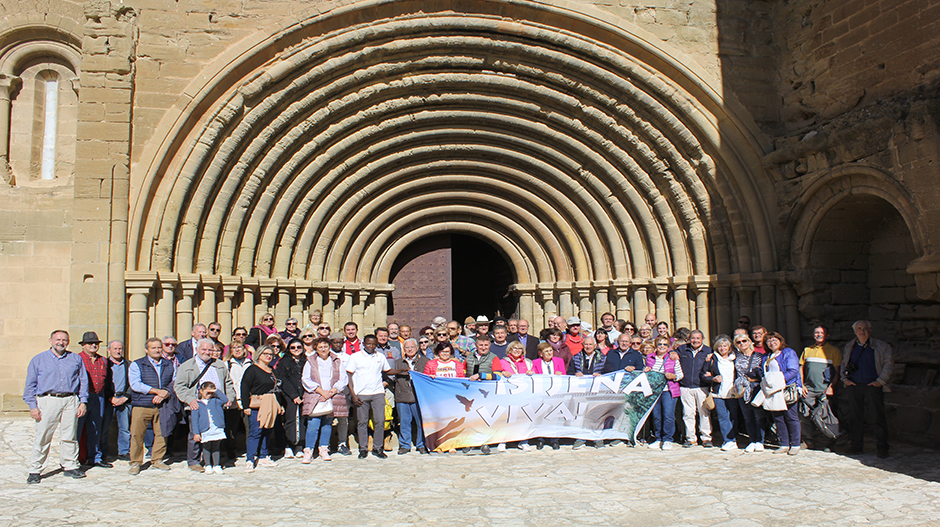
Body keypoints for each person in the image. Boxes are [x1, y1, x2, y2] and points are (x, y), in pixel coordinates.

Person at [24, 330, 89, 483]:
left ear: (68, 341)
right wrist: (33, 406)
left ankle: (70, 465)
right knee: (43, 435)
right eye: (57, 339)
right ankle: (35, 469)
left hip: (70, 400)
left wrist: (83, 402)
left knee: (70, 435)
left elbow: (83, 381)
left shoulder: (75, 359)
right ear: (50, 341)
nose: (61, 342)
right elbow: (30, 385)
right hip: (48, 400)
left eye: (64, 340)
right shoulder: (39, 360)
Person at [174, 338, 236, 472]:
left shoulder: (219, 365)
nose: (207, 352)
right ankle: (194, 460)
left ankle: (214, 460)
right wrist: (190, 400)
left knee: (215, 431)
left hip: (216, 404)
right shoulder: (187, 366)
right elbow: (179, 386)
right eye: (204, 349)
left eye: (209, 350)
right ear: (197, 349)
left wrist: (229, 398)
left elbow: (228, 383)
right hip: (198, 403)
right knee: (195, 432)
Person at [842, 320, 893, 458]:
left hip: (873, 385)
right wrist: (845, 379)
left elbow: (888, 364)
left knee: (878, 416)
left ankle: (882, 447)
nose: (862, 331)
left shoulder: (881, 346)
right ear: (855, 331)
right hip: (854, 385)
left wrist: (880, 381)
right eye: (859, 328)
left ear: (870, 330)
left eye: (865, 328)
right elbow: (844, 363)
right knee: (855, 416)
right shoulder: (850, 346)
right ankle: (856, 445)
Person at [128, 337, 175, 475]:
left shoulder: (168, 364)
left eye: (159, 347)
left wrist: (165, 393)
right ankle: (136, 462)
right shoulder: (137, 364)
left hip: (163, 405)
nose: (157, 350)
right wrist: (155, 391)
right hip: (142, 404)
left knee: (162, 433)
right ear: (146, 350)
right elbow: (135, 384)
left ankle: (157, 459)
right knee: (137, 434)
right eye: (153, 348)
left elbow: (174, 381)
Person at [347, 335, 395, 459]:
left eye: (373, 344)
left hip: (377, 393)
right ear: (364, 344)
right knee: (362, 422)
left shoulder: (380, 356)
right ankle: (363, 448)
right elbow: (349, 376)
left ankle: (378, 447)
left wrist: (402, 371)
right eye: (368, 344)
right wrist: (353, 394)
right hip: (361, 394)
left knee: (380, 421)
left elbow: (387, 371)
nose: (371, 346)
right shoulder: (355, 357)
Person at [302, 337, 348, 462]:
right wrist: (320, 391)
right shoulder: (310, 361)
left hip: (332, 395)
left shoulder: (336, 361)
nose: (323, 349)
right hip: (316, 395)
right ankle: (309, 450)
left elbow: (343, 378)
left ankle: (324, 448)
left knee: (327, 424)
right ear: (316, 347)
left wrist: (332, 391)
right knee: (314, 423)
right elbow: (306, 378)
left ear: (329, 347)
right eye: (320, 347)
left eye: (325, 347)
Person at [240, 345, 283, 472]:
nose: (269, 356)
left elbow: (277, 389)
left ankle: (264, 455)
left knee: (267, 430)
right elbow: (244, 387)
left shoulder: (272, 371)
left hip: (271, 403)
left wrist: (279, 405)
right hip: (257, 403)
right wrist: (245, 406)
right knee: (255, 431)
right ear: (259, 354)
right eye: (266, 354)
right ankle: (250, 458)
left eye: (270, 354)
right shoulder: (252, 370)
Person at [800, 325, 842, 450]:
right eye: (816, 333)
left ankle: (830, 440)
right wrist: (801, 385)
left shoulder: (834, 351)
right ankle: (808, 441)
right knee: (804, 415)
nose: (818, 335)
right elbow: (801, 368)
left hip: (825, 390)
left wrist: (831, 387)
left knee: (827, 416)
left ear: (827, 335)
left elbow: (838, 371)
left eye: (821, 333)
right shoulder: (807, 350)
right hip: (809, 389)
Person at [76, 331, 110, 468]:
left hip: (98, 397)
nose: (93, 345)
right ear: (83, 345)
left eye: (96, 343)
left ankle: (95, 457)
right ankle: (74, 458)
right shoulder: (77, 359)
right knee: (77, 429)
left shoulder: (102, 360)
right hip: (81, 397)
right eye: (90, 343)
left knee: (95, 428)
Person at [764, 332, 802, 455]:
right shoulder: (767, 356)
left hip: (786, 388)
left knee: (791, 416)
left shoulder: (788, 353)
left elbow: (793, 370)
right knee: (778, 418)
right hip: (773, 390)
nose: (772, 342)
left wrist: (778, 381)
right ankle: (784, 444)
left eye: (774, 340)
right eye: (769, 341)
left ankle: (795, 444)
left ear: (780, 340)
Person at [644, 337, 683, 450]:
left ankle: (667, 439)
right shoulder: (650, 357)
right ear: (656, 345)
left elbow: (680, 375)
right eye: (660, 344)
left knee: (668, 415)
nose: (662, 346)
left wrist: (673, 376)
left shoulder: (672, 358)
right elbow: (648, 374)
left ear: (668, 346)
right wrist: (646, 370)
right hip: (655, 391)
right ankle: (658, 438)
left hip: (668, 390)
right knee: (657, 416)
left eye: (665, 344)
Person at [393, 338, 430, 455]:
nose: (409, 350)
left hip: (418, 397)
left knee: (420, 422)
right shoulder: (398, 362)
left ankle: (421, 444)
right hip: (402, 396)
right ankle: (405, 445)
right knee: (404, 422)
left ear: (417, 348)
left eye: (412, 347)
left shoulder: (425, 361)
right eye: (407, 347)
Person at [677, 330, 712, 447]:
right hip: (686, 386)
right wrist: (672, 352)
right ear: (689, 338)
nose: (695, 341)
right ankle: (690, 438)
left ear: (703, 339)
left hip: (701, 386)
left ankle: (706, 438)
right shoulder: (682, 349)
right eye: (693, 338)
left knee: (704, 413)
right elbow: (672, 352)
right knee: (688, 413)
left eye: (698, 338)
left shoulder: (708, 351)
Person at [703, 335, 739, 451]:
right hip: (718, 393)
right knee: (723, 417)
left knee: (734, 417)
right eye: (720, 346)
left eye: (725, 346)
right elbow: (703, 374)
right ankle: (728, 440)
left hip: (733, 393)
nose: (722, 348)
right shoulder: (712, 359)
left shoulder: (736, 358)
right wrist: (713, 379)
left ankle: (734, 438)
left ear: (729, 347)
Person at [732, 334, 766, 452]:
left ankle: (760, 441)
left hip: (756, 387)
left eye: (744, 341)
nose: (742, 344)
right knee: (748, 417)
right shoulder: (736, 357)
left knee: (758, 416)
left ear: (750, 341)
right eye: (738, 342)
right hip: (742, 390)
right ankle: (752, 440)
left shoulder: (759, 356)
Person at [275, 338, 307, 459]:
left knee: (302, 421)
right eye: (293, 347)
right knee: (290, 420)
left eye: (298, 347)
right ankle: (288, 445)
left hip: (304, 394)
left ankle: (299, 446)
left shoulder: (306, 361)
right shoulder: (284, 362)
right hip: (289, 395)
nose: (296, 350)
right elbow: (283, 380)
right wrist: (294, 395)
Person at [101, 340, 131, 462]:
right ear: (109, 350)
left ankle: (124, 452)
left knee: (125, 428)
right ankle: (103, 452)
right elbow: (102, 383)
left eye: (120, 349)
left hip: (124, 399)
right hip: (109, 399)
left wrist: (125, 397)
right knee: (104, 428)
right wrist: (110, 397)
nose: (118, 351)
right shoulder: (104, 364)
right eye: (115, 349)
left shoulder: (129, 364)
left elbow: (132, 383)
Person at [190, 381, 228, 474]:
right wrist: (196, 432)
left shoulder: (216, 401)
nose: (209, 395)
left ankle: (217, 464)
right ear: (201, 391)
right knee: (206, 447)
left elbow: (225, 400)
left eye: (211, 393)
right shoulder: (197, 404)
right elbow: (194, 420)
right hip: (205, 428)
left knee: (216, 447)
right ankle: (207, 464)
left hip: (216, 427)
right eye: (207, 392)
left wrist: (216, 391)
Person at [224, 342, 252, 460]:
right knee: (231, 428)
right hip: (233, 399)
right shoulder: (227, 364)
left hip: (247, 399)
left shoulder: (250, 363)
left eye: (239, 347)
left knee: (249, 427)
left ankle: (250, 450)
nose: (237, 350)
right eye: (234, 348)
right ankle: (231, 451)